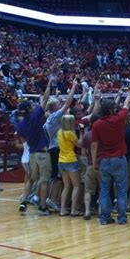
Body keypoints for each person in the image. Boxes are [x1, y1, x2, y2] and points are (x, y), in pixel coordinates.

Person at [91, 89, 130, 225]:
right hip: (119, 159)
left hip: (104, 160)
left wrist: (94, 162)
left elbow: (94, 145)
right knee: (121, 190)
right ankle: (121, 218)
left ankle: (104, 218)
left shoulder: (96, 124)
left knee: (104, 191)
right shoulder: (119, 119)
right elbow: (126, 106)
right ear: (110, 110)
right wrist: (129, 94)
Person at [44, 80, 79, 212]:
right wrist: (74, 88)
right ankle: (52, 199)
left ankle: (54, 199)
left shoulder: (49, 117)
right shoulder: (55, 116)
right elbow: (68, 103)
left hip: (53, 148)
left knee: (58, 176)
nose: (61, 105)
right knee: (58, 177)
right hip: (57, 149)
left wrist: (57, 95)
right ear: (55, 108)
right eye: (59, 104)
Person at [58, 114, 83, 216]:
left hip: (61, 160)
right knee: (76, 186)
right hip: (71, 160)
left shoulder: (60, 132)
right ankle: (73, 210)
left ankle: (62, 210)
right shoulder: (70, 134)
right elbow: (80, 144)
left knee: (66, 186)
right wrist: (81, 132)